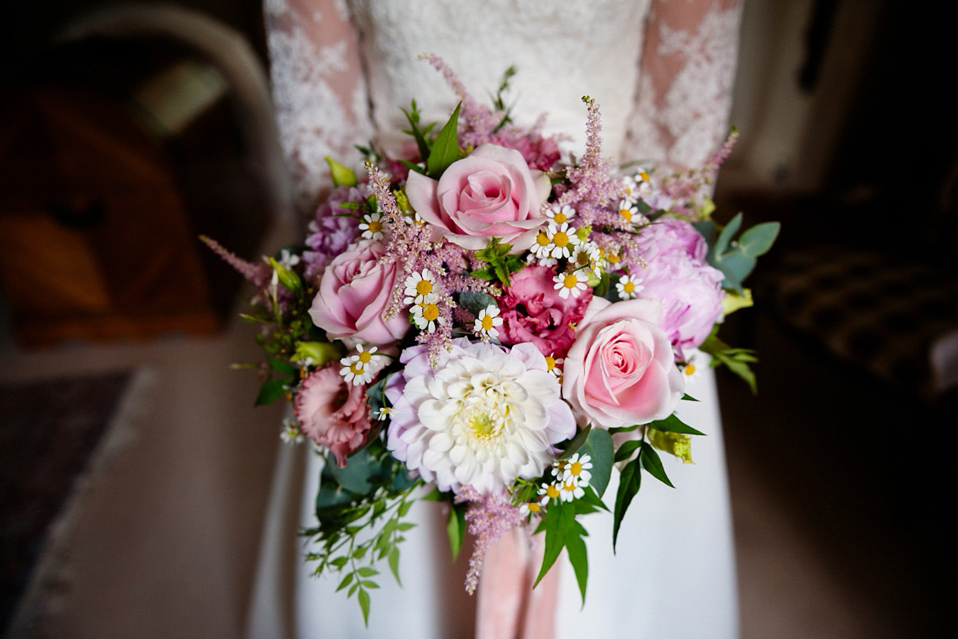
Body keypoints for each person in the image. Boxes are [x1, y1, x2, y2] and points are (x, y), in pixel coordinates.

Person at [248, 1, 743, 637]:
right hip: (397, 270)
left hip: (612, 275)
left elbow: (679, 145)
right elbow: (323, 142)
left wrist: (603, 288)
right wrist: (407, 295)